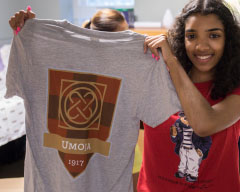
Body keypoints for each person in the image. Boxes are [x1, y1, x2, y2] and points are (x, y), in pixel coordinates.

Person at [138, 0, 240, 191]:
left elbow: (203, 125)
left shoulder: (236, 88)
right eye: (191, 36)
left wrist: (172, 62)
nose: (201, 46)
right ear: (181, 39)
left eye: (214, 35)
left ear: (228, 39)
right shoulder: (156, 77)